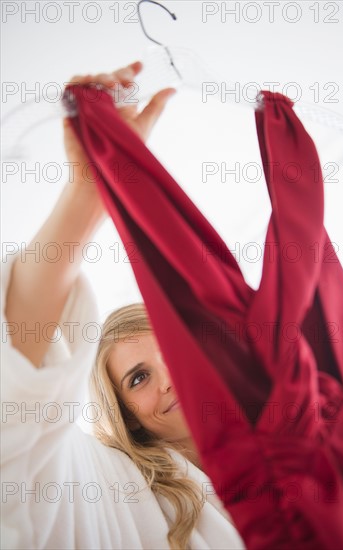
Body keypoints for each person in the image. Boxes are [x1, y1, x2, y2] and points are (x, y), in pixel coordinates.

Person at [2, 61, 245, 550]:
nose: (170, 377)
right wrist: (86, 199)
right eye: (138, 378)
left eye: (175, 350)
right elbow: (19, 423)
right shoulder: (119, 492)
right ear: (127, 415)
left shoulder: (309, 435)